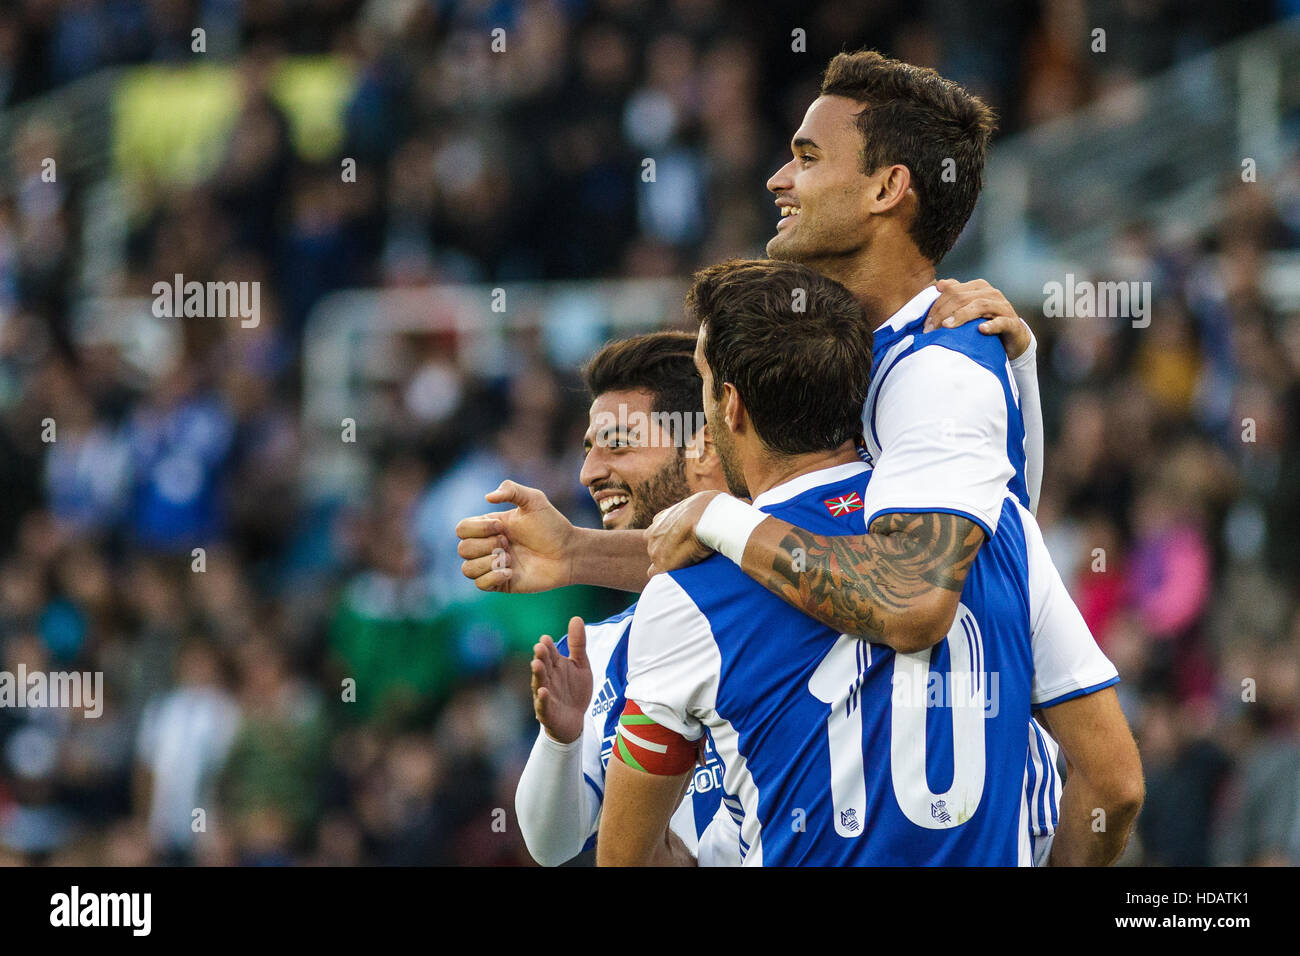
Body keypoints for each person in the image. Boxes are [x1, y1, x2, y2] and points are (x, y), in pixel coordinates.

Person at [463, 50, 1143, 864]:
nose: (778, 179)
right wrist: (581, 551)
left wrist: (715, 518)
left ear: (889, 188)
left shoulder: (936, 372)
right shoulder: (885, 359)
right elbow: (862, 547)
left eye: (808, 158)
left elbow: (914, 600)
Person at [597, 259, 1132, 865]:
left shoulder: (690, 595)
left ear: (730, 403)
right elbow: (1115, 788)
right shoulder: (999, 530)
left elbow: (626, 858)